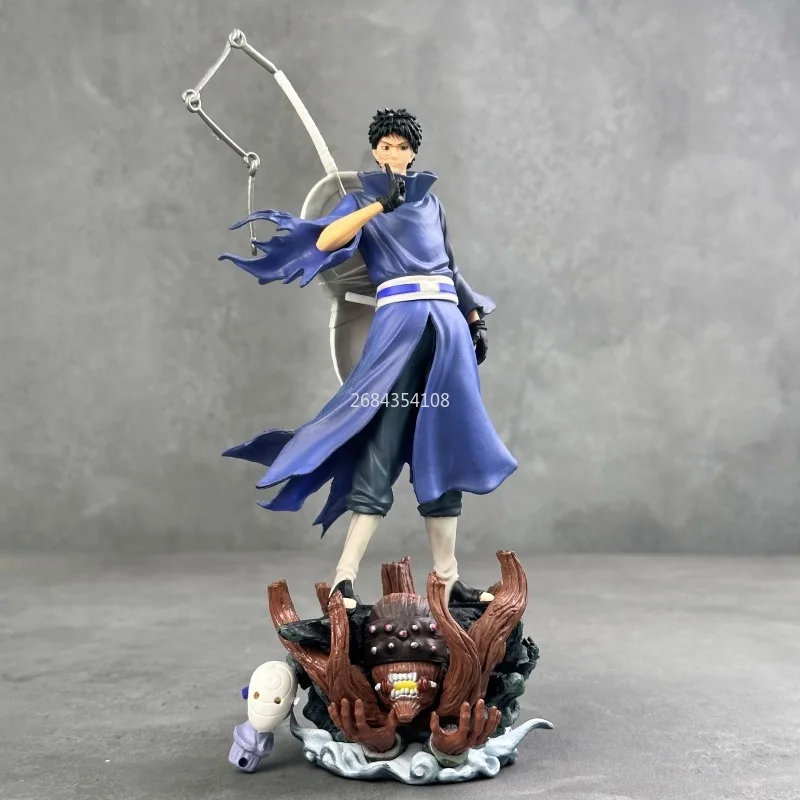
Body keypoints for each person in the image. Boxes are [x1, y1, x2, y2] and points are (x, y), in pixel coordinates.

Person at [220, 108, 517, 608]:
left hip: (447, 332)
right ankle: (343, 578)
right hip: (401, 328)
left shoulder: (432, 204)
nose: (394, 154)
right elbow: (326, 240)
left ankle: (447, 580)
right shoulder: (361, 200)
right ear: (376, 151)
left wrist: (473, 317)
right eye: (386, 146)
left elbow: (449, 265)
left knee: (444, 447)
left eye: (402, 147)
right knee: (382, 444)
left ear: (413, 153)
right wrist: (377, 206)